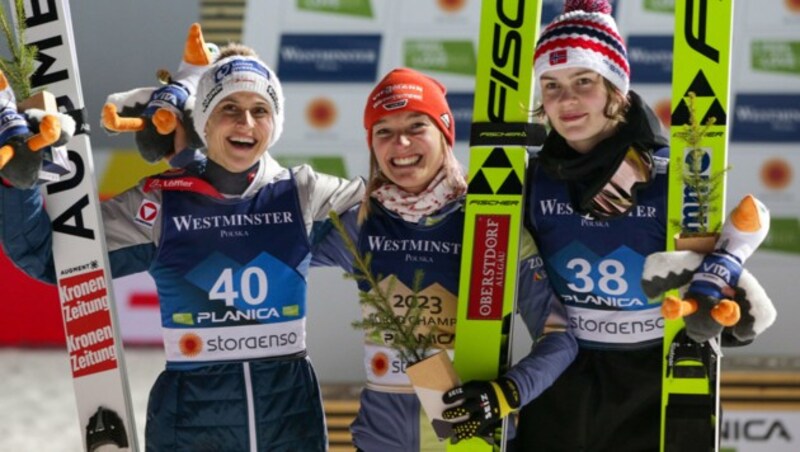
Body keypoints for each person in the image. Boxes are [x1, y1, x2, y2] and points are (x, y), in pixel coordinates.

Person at [0, 43, 363, 451]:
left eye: (260, 110)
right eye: (229, 108)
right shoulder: (161, 202)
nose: (245, 122)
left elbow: (388, 231)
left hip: (289, 422)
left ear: (273, 123)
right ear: (204, 119)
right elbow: (51, 259)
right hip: (190, 424)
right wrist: (17, 183)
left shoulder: (303, 194)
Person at [312, 67, 577, 452]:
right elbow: (271, 250)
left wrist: (504, 395)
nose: (400, 143)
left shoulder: (490, 224)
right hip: (381, 441)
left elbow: (560, 337)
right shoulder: (361, 222)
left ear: (445, 133)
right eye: (383, 131)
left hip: (472, 440)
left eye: (417, 126)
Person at [514, 0, 672, 450]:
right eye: (551, 85)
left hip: (650, 380)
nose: (566, 100)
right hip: (561, 375)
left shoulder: (664, 175)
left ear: (616, 90)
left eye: (583, 81)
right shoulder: (534, 177)